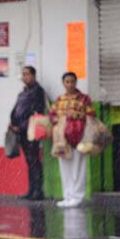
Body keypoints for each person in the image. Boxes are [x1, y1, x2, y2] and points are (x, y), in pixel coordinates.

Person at [49, 72, 95, 208]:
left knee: (79, 168)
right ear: (63, 83)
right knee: (65, 167)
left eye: (72, 82)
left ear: (76, 83)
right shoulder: (59, 99)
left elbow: (91, 114)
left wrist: (75, 115)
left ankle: (77, 196)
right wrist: (59, 119)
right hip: (63, 139)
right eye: (67, 82)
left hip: (79, 136)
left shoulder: (84, 99)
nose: (69, 84)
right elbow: (52, 115)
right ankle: (67, 196)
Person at [9, 66, 47, 200]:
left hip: (30, 131)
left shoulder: (37, 91)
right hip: (20, 131)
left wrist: (22, 126)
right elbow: (16, 110)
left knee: (35, 161)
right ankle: (31, 190)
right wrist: (12, 123)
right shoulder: (23, 92)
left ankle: (38, 191)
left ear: (33, 75)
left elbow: (36, 113)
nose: (24, 77)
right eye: (23, 74)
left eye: (27, 74)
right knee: (29, 161)